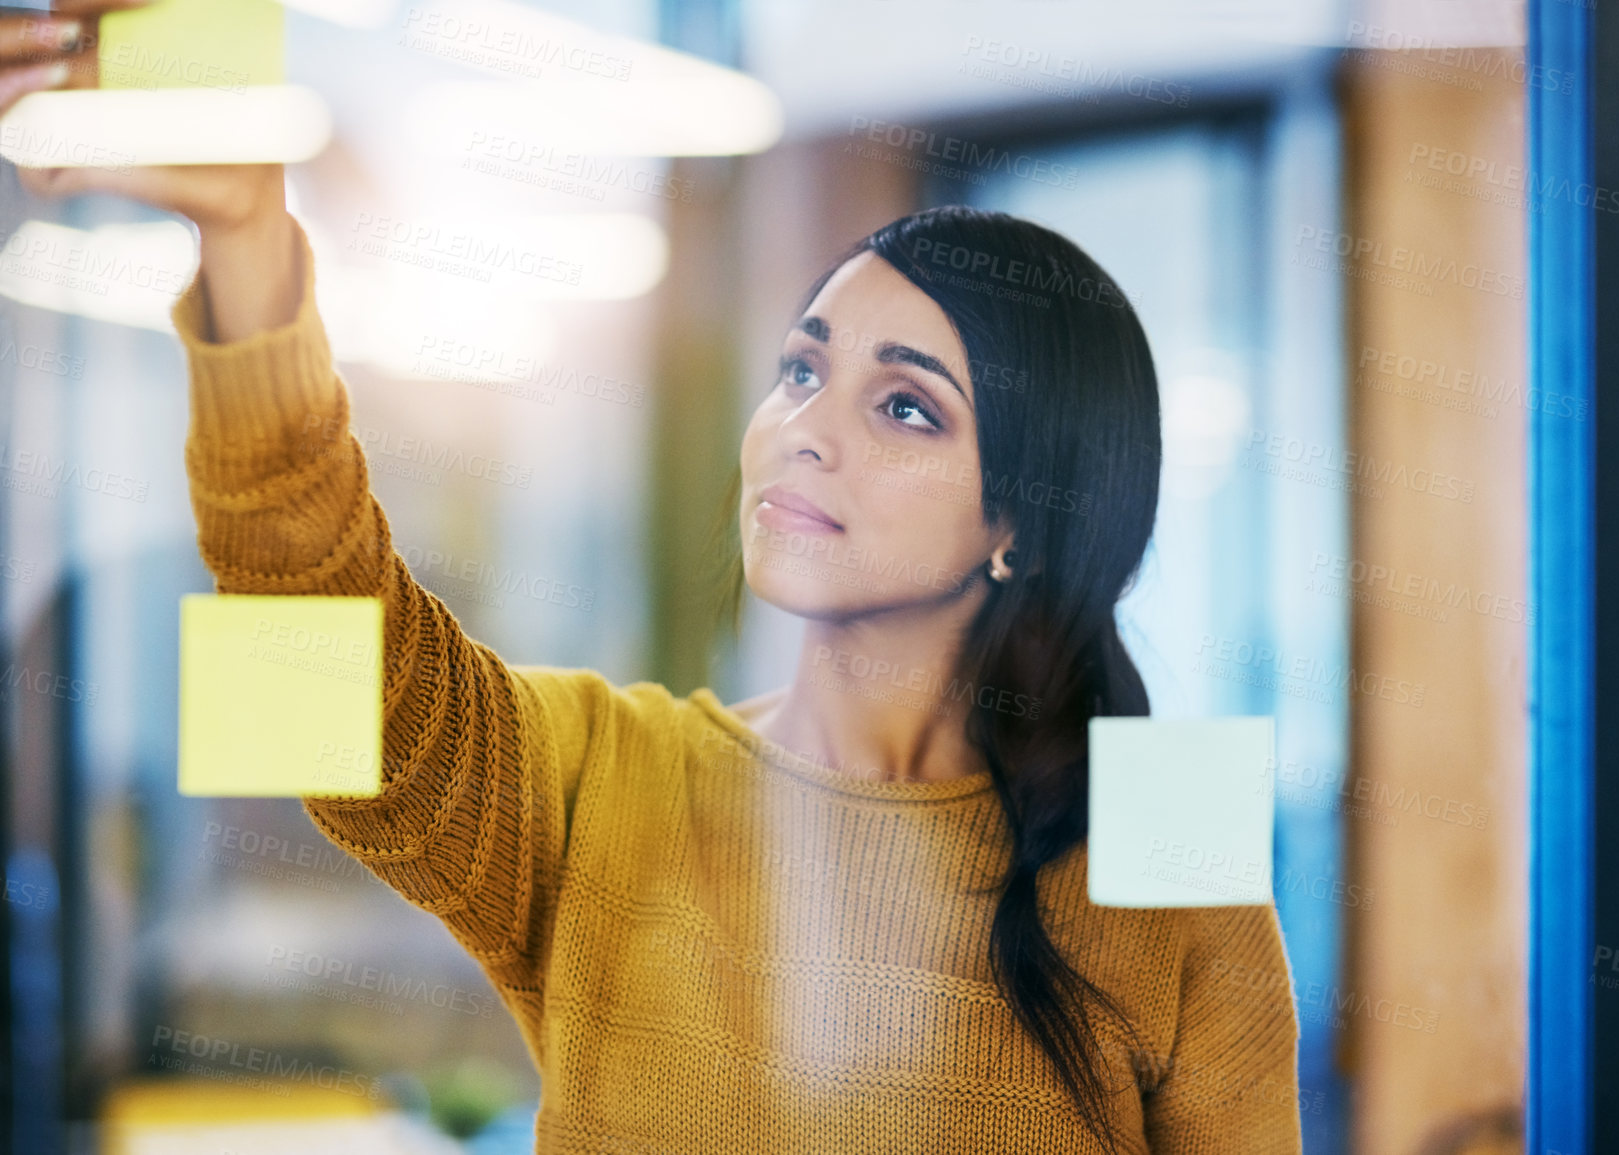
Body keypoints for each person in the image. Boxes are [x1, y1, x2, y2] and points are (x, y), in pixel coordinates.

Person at [6, 6, 1302, 1150]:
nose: (808, 425)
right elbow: (314, 660)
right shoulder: (604, 780)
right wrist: (245, 232)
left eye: (906, 408)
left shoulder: (1161, 820)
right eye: (803, 369)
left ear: (1021, 519)